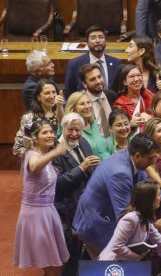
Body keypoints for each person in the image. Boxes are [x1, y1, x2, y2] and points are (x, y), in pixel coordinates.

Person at [73, 133, 161, 260]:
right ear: (138, 156)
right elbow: (125, 214)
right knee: (111, 268)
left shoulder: (136, 161)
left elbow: (152, 189)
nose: (153, 162)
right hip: (96, 225)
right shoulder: (120, 173)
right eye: (151, 158)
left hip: (107, 219)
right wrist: (153, 226)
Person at [13, 120, 69, 276]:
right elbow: (34, 166)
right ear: (35, 138)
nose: (50, 135)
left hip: (48, 212)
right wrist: (55, 153)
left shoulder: (45, 155)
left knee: (54, 266)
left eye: (51, 131)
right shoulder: (32, 154)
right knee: (53, 266)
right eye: (45, 132)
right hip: (35, 215)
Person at [53, 113, 99, 276]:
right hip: (67, 210)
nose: (74, 134)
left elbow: (92, 170)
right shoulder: (54, 150)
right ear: (62, 128)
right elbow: (59, 185)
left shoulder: (84, 142)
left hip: (88, 206)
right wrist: (82, 167)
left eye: (77, 130)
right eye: (70, 129)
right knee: (70, 254)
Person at [99, 180, 161, 262]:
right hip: (111, 265)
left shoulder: (145, 217)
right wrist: (138, 257)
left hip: (126, 263)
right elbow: (117, 246)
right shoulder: (130, 219)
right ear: (149, 199)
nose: (160, 198)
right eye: (158, 195)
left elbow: (156, 236)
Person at [64, 25, 122, 98]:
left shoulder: (116, 63)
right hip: (86, 105)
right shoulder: (75, 64)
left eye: (101, 37)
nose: (97, 41)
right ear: (87, 42)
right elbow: (69, 93)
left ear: (106, 40)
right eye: (93, 38)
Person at [13, 79, 64, 158]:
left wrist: (60, 108)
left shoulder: (64, 115)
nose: (52, 96)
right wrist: (35, 155)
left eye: (54, 92)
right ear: (38, 97)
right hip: (39, 164)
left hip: (63, 164)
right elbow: (18, 148)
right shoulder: (29, 119)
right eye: (47, 93)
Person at [65, 91, 111, 159]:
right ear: (73, 108)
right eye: (82, 104)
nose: (87, 106)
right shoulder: (70, 129)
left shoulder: (94, 123)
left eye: (89, 102)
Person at [80, 63, 118, 138]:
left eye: (99, 77)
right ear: (84, 84)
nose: (98, 81)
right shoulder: (80, 102)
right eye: (92, 79)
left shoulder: (111, 95)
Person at [113, 64, 155, 129]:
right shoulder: (120, 104)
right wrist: (130, 124)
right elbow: (119, 128)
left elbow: (158, 113)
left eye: (139, 75)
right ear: (124, 82)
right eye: (132, 76)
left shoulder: (148, 94)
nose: (136, 79)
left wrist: (149, 116)